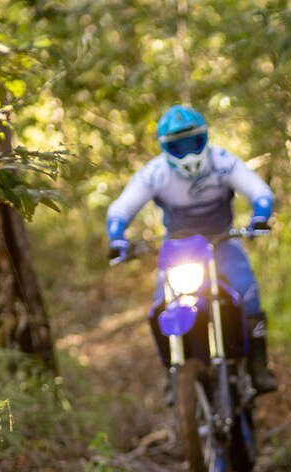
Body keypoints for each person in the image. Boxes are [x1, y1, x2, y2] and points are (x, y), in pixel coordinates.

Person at [106, 104, 277, 397]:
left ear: (204, 138)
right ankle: (172, 372)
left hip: (222, 242)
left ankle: (258, 367)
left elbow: (260, 191)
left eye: (193, 142)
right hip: (178, 250)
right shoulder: (155, 173)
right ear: (165, 148)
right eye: (178, 146)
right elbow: (121, 209)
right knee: (161, 305)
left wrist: (260, 216)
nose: (187, 153)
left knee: (247, 292)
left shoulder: (222, 162)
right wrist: (117, 237)